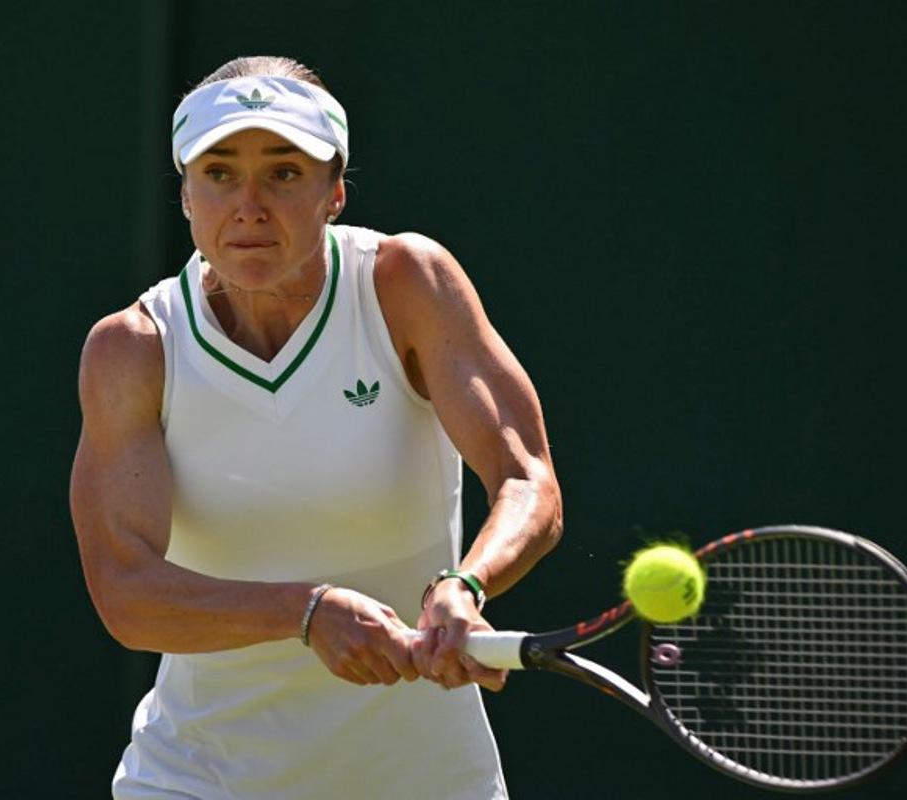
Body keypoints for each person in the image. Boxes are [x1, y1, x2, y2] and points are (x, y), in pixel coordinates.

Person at [70, 55, 563, 799]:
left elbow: (528, 481)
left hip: (426, 782)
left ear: (335, 192)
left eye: (285, 173)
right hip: (197, 780)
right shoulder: (133, 349)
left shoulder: (407, 283)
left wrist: (465, 585)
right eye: (220, 172)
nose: (250, 205)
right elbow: (126, 590)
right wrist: (306, 612)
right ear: (186, 197)